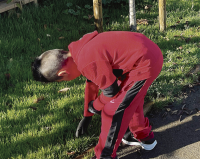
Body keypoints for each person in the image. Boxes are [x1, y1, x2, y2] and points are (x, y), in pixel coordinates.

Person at [31, 31, 163, 159]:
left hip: (145, 64)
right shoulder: (79, 50)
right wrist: (87, 115)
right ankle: (142, 137)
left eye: (63, 81)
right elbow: (92, 83)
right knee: (130, 100)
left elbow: (111, 92)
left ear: (63, 74)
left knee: (112, 110)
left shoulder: (86, 61)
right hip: (143, 54)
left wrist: (96, 106)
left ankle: (104, 155)